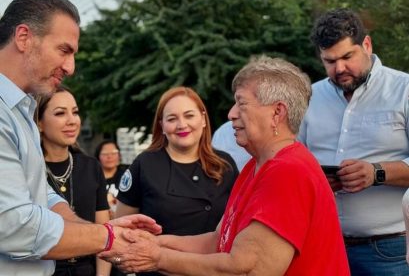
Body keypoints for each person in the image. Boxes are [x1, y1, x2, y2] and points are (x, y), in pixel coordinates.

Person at [100, 56, 350, 275]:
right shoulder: (256, 166)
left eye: (241, 103)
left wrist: (156, 258)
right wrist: (153, 244)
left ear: (277, 113)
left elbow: (246, 269)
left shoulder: (288, 171)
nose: (230, 113)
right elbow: (217, 241)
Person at [0, 0, 161, 275]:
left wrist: (99, 231)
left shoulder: (21, 109)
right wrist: (109, 238)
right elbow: (14, 225)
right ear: (23, 37)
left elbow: (40, 195)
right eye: (64, 50)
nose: (70, 68)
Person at [298, 8, 409, 275]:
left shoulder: (404, 89)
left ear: (367, 45)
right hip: (323, 245)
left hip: (390, 250)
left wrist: (376, 173)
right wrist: (314, 180)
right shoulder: (307, 97)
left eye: (348, 56)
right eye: (329, 61)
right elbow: (292, 159)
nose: (340, 68)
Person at [115, 86, 239, 276]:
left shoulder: (225, 165)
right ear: (162, 126)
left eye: (189, 116)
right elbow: (121, 228)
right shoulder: (145, 165)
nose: (182, 125)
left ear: (203, 119)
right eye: (172, 119)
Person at [35, 86, 113, 275]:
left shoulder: (91, 167)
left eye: (75, 112)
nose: (72, 121)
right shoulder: (29, 170)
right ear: (39, 123)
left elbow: (104, 229)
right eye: (60, 113)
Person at [95, 140, 128, 219]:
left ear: (119, 155)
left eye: (113, 153)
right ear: (98, 156)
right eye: (105, 154)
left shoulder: (127, 176)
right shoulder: (92, 178)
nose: (109, 156)